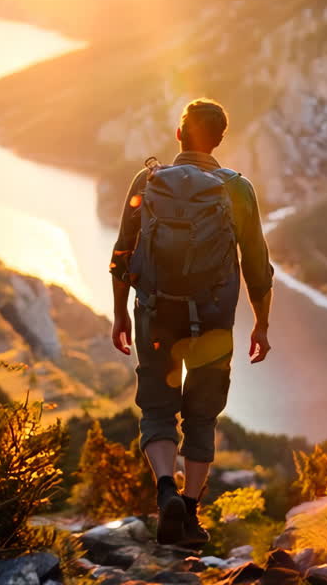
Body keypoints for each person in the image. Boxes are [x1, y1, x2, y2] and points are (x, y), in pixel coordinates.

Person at [109, 98, 274, 547]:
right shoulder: (236, 190)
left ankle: (166, 493)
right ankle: (192, 515)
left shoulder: (149, 179)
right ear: (221, 139)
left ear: (179, 135)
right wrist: (261, 324)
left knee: (158, 409)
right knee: (202, 415)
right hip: (214, 322)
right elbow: (257, 266)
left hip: (155, 312)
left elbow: (123, 254)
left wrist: (121, 312)